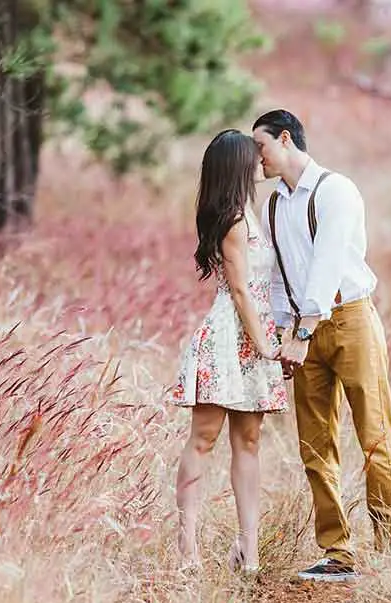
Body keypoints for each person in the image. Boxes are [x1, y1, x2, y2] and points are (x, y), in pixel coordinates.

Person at [252, 109, 391, 582]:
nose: (257, 159)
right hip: (301, 332)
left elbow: (328, 264)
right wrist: (283, 334)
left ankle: (390, 550)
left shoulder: (335, 190)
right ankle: (338, 553)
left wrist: (301, 333)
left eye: (261, 147)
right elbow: (278, 277)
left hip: (349, 319)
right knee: (315, 443)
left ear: (284, 138)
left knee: (374, 434)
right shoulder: (272, 205)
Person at [169, 128, 289, 576]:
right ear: (237, 166)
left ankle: (248, 549)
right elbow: (239, 289)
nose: (260, 159)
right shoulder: (234, 219)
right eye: (252, 154)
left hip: (252, 333)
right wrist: (263, 344)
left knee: (250, 442)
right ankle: (188, 551)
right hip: (230, 336)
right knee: (203, 439)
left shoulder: (250, 214)